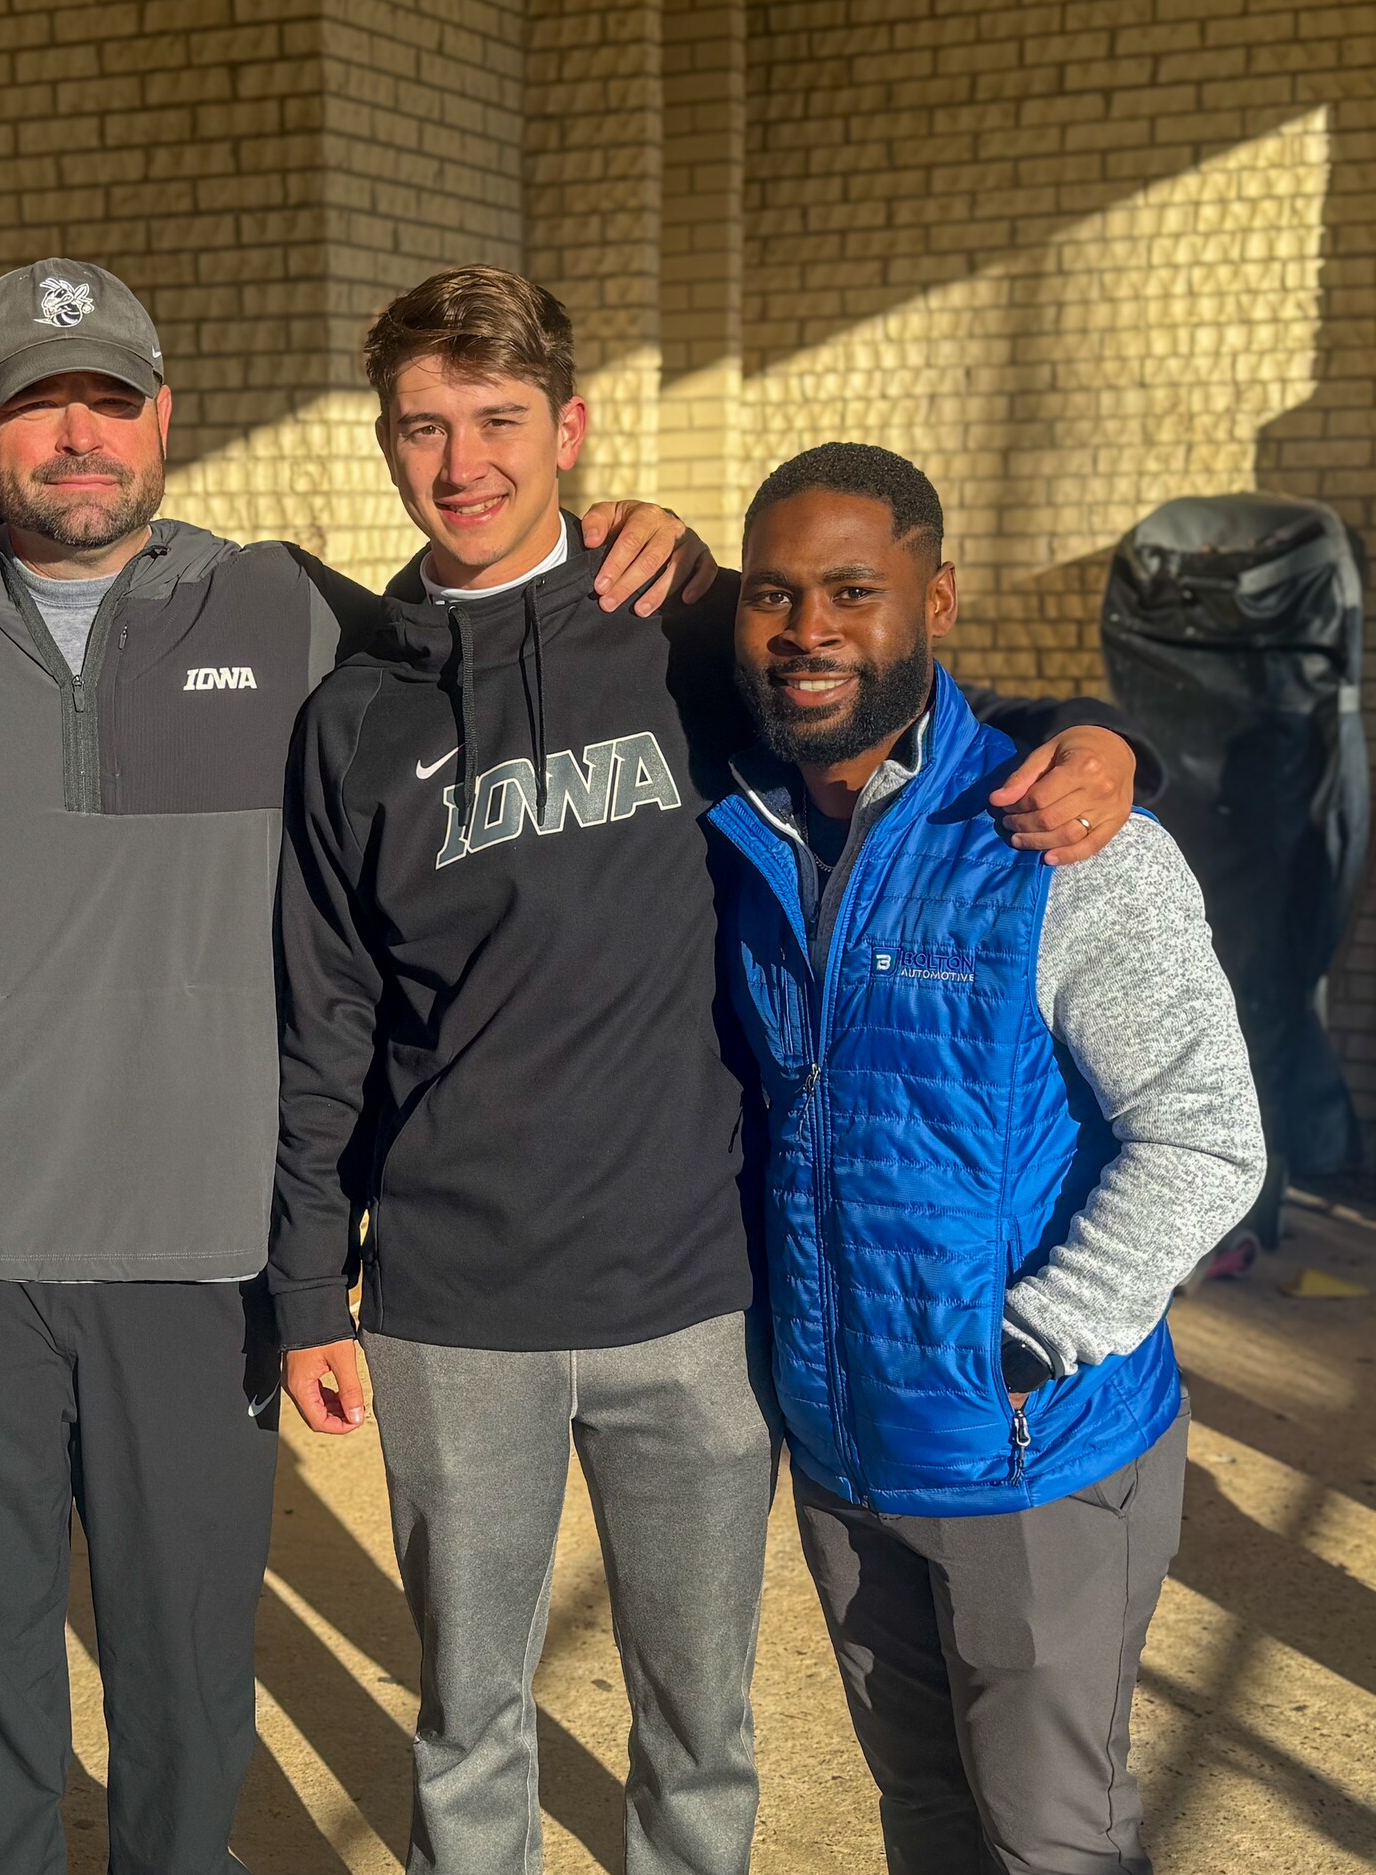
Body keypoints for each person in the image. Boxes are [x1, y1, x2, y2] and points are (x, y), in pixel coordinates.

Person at [0, 256, 711, 1875]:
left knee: (185, 1699)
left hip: (197, 1256)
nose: (77, 438)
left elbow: (490, 632)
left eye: (108, 402)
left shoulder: (290, 612)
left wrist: (662, 553)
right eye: (36, 407)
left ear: (165, 416)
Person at [269, 269, 1150, 1875]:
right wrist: (307, 1283)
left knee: (700, 1731)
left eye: (498, 420)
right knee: (468, 1723)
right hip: (454, 1309)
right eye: (423, 428)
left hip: (695, 1301)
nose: (462, 464)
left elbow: (895, 699)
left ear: (570, 429)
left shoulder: (685, 637)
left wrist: (1099, 732)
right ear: (386, 442)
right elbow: (325, 1017)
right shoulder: (353, 721)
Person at [709, 443, 1264, 1873]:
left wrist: (1039, 1338)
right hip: (846, 1453)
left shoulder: (1062, 843)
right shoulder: (747, 832)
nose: (809, 629)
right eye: (773, 594)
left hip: (1030, 1457)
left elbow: (1207, 1135)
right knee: (927, 1820)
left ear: (937, 601)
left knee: (1051, 1841)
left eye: (854, 591)